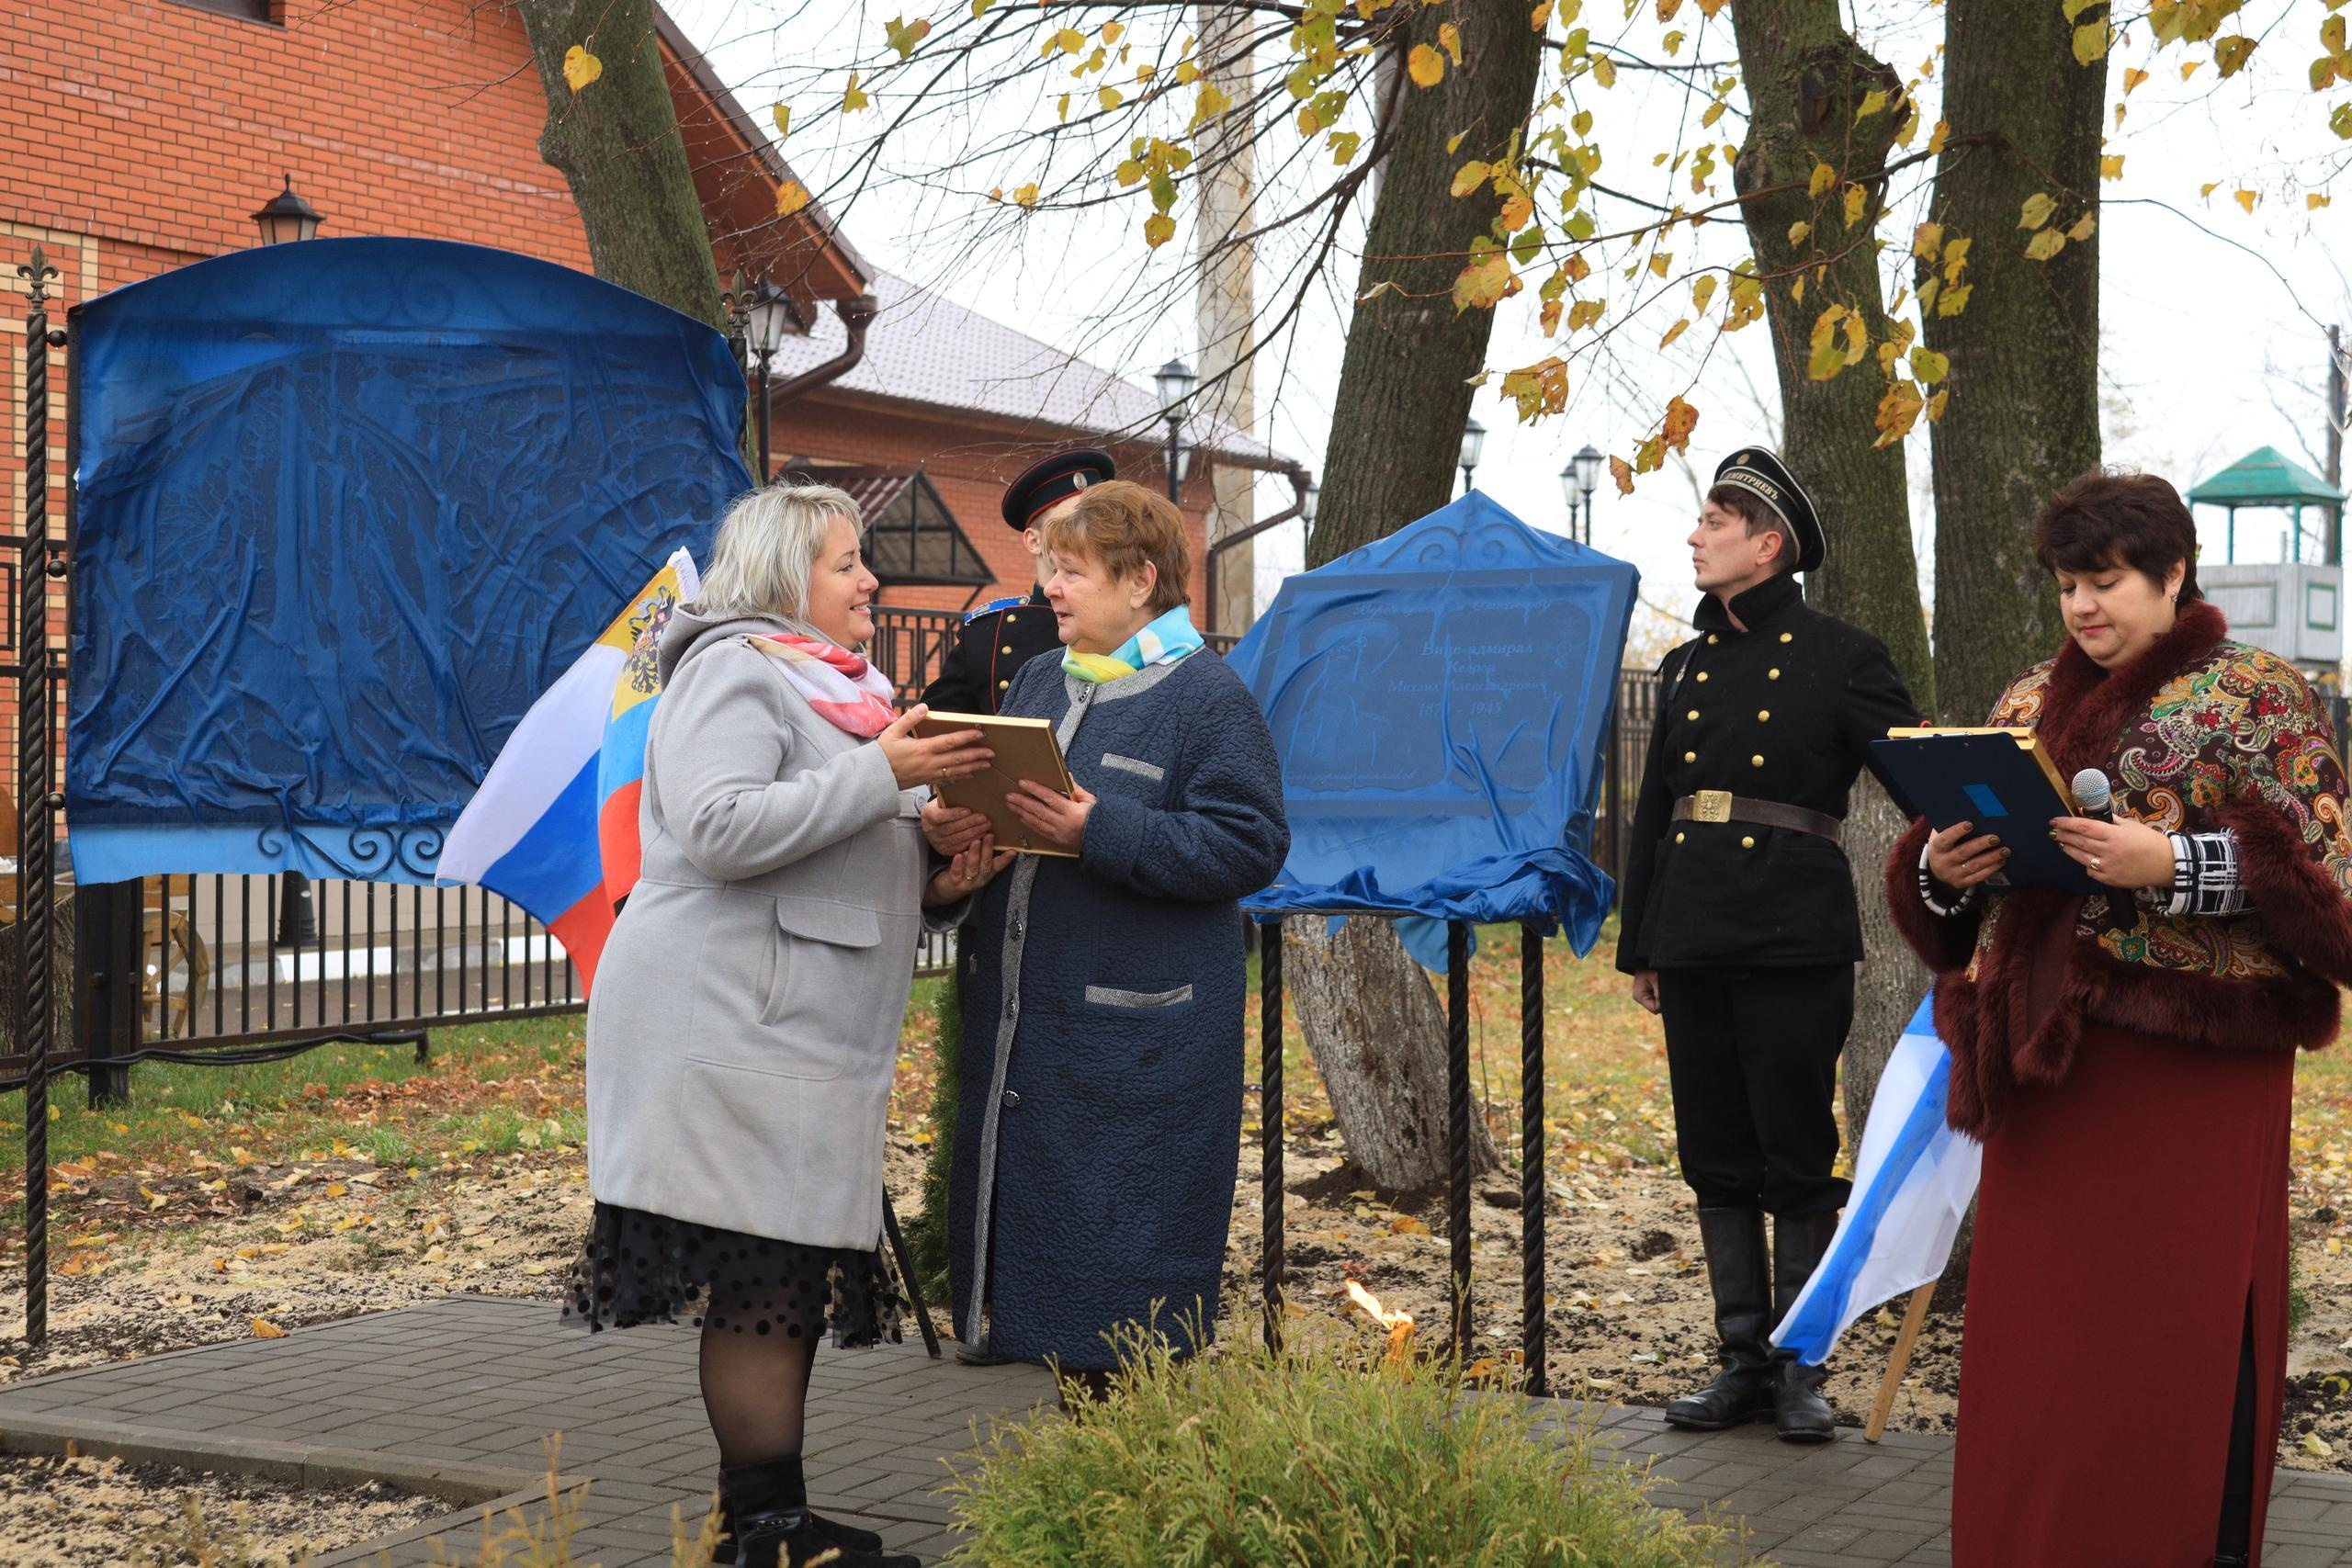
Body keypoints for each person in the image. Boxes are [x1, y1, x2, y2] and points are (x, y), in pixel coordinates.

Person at [1887, 470, 2352, 1568]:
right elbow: (1946, 906)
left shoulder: (2259, 697)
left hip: (2190, 1075)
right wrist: (1943, 871)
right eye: (2067, 586)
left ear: (2172, 572)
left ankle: (2167, 1539)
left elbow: (2331, 888)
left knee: (2165, 1341)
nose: (2083, 606)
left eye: (2105, 582)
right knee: (2043, 1349)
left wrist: (2174, 865)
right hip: (2042, 1074)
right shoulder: (2015, 703)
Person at [566, 483, 1012, 1568]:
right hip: (722, 1028)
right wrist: (887, 775)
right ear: (783, 579)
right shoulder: (733, 668)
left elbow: (834, 843)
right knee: (764, 1285)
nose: (872, 581)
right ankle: (764, 1531)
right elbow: (718, 829)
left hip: (790, 1036)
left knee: (780, 1282)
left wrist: (937, 859)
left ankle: (770, 1520)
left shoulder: (843, 691)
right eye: (848, 563)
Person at [922, 479, 1288, 1393]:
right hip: (1031, 1042)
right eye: (1047, 566)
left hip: (1140, 1052)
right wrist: (956, 849)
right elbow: (1018, 820)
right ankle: (1089, 1477)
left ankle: (1127, 1490)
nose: (1047, 585)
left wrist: (1101, 831)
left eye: (1070, 570)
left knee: (1126, 1297)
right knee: (1051, 1287)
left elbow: (1250, 845)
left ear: (1139, 581)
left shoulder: (1207, 695)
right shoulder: (1043, 678)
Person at [1614, 447, 1919, 1443]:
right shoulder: (1686, 665)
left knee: (1794, 1151)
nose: (1694, 536)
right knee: (1714, 1153)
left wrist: (1984, 827)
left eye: (1713, 520)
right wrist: (1643, 942)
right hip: (1696, 929)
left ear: (1766, 542)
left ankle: (1799, 1366)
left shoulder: (1842, 655)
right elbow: (1655, 808)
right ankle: (1739, 1361)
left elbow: (1917, 772)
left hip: (1792, 932)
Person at [920, 449, 1115, 716]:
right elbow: (935, 733)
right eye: (1071, 522)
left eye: (1098, 521)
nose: (1087, 533)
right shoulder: (987, 634)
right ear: (1034, 541)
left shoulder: (1132, 620)